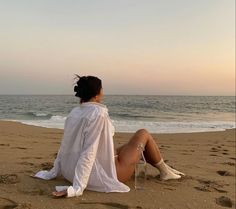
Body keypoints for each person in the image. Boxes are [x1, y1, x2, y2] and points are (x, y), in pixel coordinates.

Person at [34, 75, 185, 198]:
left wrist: (55, 170)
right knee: (143, 134)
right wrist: (77, 188)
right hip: (97, 176)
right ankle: (165, 171)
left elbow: (65, 145)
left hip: (70, 171)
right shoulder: (97, 113)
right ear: (97, 93)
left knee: (128, 146)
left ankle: (165, 168)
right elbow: (89, 152)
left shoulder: (75, 112)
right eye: (102, 88)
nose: (103, 91)